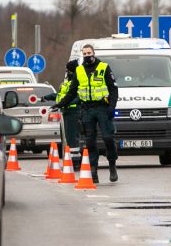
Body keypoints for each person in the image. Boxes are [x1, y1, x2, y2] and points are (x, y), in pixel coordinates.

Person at [56, 44, 119, 183]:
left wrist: (111, 107)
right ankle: (93, 171)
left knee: (108, 138)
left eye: (89, 52)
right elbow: (72, 92)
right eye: (84, 53)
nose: (87, 55)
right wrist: (60, 104)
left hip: (103, 108)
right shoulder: (79, 71)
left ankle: (112, 164)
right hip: (87, 109)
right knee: (90, 141)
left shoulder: (104, 67)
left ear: (94, 53)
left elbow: (113, 89)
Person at [44, 59, 81, 170]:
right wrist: (47, 97)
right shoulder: (68, 82)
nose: (66, 72)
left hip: (73, 112)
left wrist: (66, 104)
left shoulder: (77, 80)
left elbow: (78, 97)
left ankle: (75, 163)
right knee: (69, 139)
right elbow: (60, 94)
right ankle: (71, 161)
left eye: (67, 70)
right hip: (66, 112)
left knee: (72, 138)